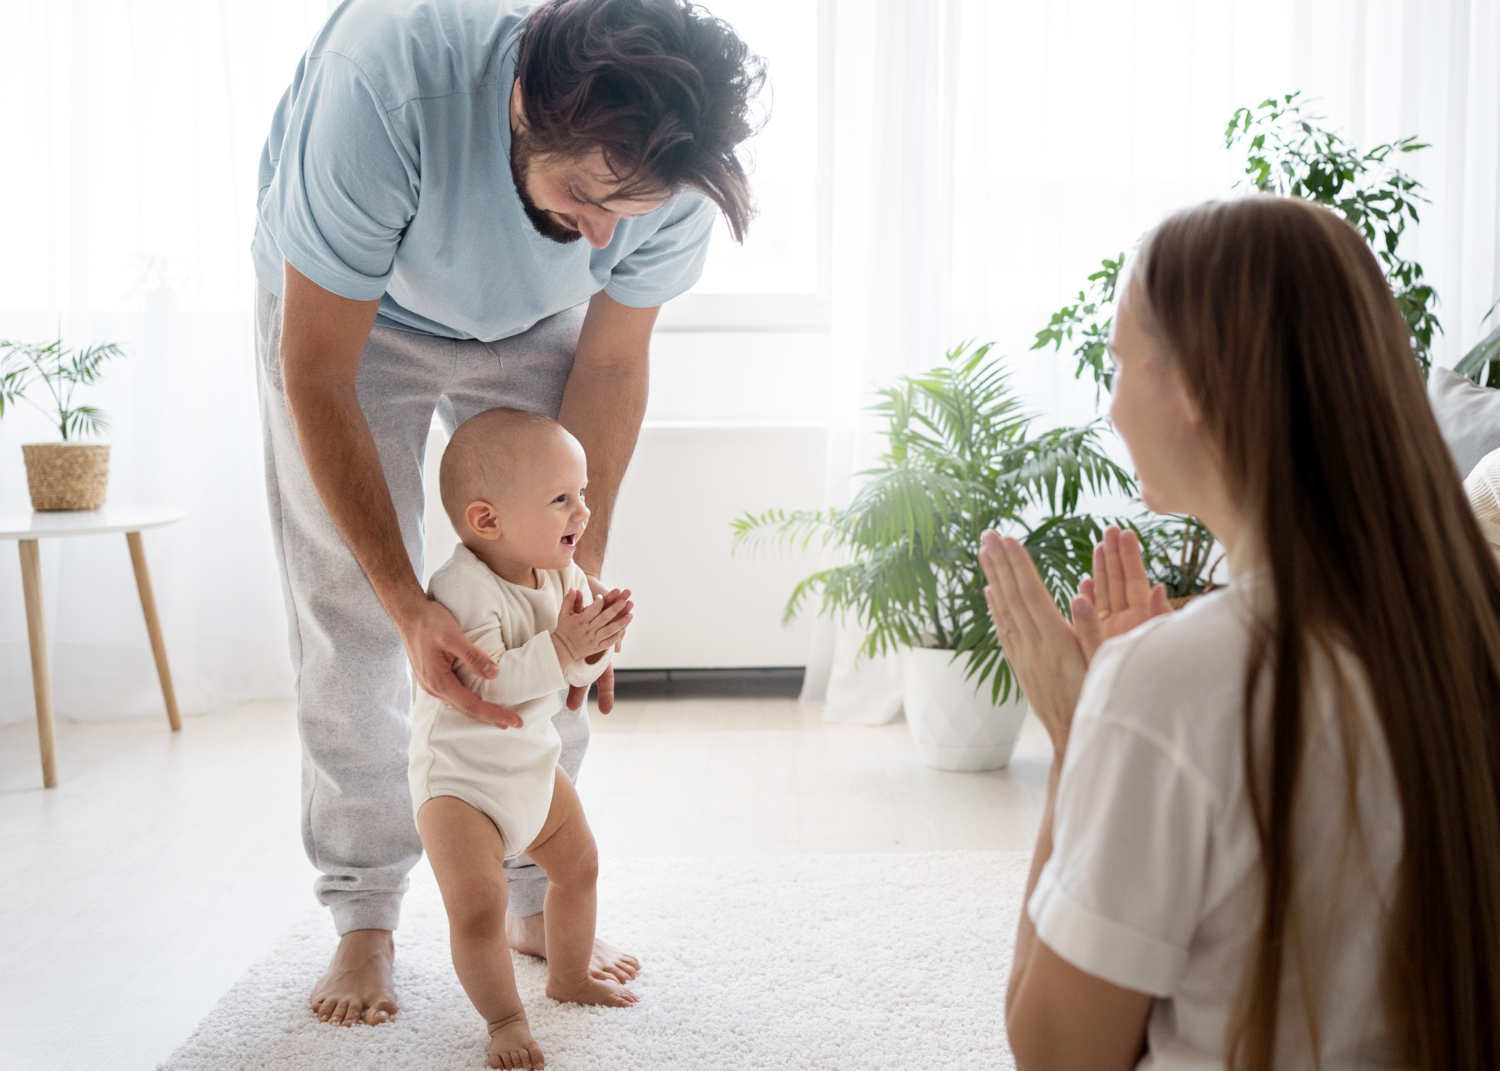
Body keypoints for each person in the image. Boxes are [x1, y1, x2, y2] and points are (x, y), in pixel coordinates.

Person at [251, 0, 763, 1026]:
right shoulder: (386, 84)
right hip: (358, 312)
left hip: (537, 320)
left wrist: (578, 578)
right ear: (526, 106)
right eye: (588, 194)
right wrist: (407, 603)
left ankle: (536, 897)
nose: (611, 232)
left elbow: (613, 357)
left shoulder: (665, 175)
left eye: (637, 209)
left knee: (545, 606)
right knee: (350, 607)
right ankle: (365, 918)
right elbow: (315, 369)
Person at [982, 196, 1500, 1070]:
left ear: (1191, 386)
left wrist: (1081, 746)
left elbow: (1056, 1054)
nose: (1110, 409)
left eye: (1119, 367)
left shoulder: (1171, 682)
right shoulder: (1468, 624)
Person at [413, 408, 634, 1070]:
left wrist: (597, 641)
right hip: (460, 785)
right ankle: (505, 1017)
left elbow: (569, 668)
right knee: (480, 908)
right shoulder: (460, 590)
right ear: (487, 521)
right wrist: (565, 645)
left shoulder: (560, 574)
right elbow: (489, 683)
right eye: (562, 499)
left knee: (580, 866)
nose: (583, 513)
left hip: (532, 768)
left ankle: (569, 975)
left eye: (584, 493)